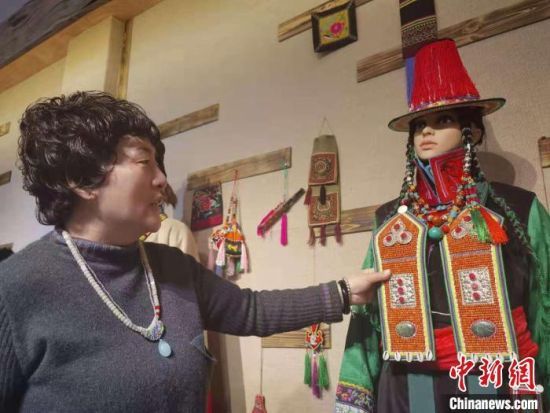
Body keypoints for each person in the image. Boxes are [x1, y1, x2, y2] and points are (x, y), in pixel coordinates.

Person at [0, 91, 390, 412]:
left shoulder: (171, 267)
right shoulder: (16, 287)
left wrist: (343, 292)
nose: (161, 180)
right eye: (144, 161)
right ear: (82, 179)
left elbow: (250, 310)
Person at [335, 39, 550, 413]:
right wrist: (356, 394)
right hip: (405, 386)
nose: (426, 132)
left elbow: (543, 299)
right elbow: (369, 315)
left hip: (495, 382)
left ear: (473, 131)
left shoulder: (518, 208)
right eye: (419, 124)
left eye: (443, 120)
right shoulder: (390, 221)